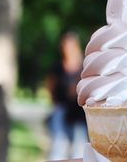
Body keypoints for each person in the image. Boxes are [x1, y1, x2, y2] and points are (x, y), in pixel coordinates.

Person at [46, 31, 88, 160]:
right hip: (62, 109)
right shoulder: (58, 66)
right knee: (59, 145)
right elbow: (50, 85)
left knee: (79, 148)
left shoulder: (85, 65)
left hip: (80, 113)